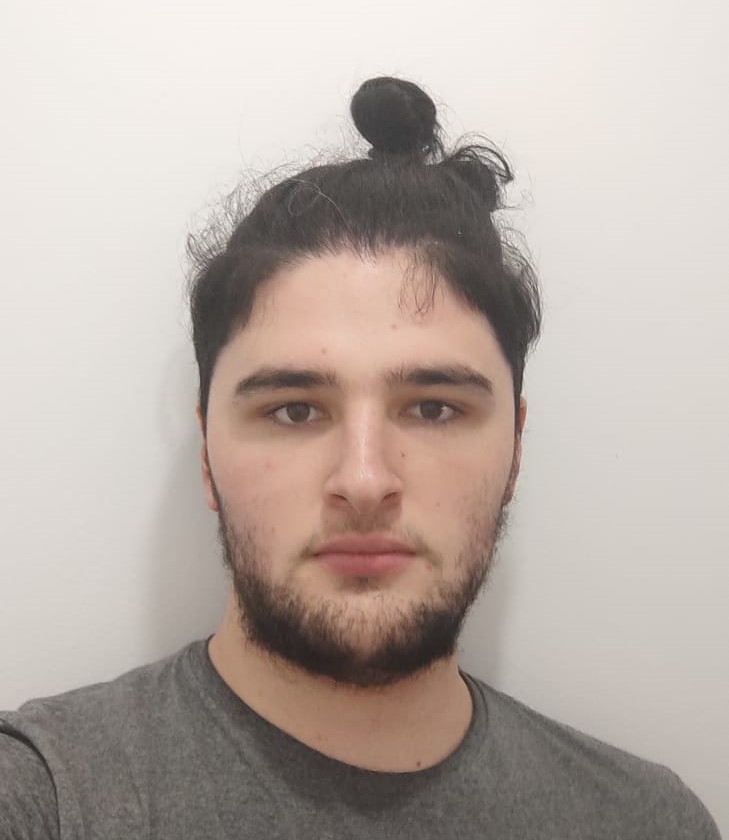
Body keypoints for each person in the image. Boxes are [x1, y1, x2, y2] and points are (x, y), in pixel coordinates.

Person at [0, 77, 721, 840]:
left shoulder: (647, 823)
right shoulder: (46, 801)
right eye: (294, 410)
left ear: (514, 451)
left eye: (433, 408)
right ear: (207, 455)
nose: (365, 481)